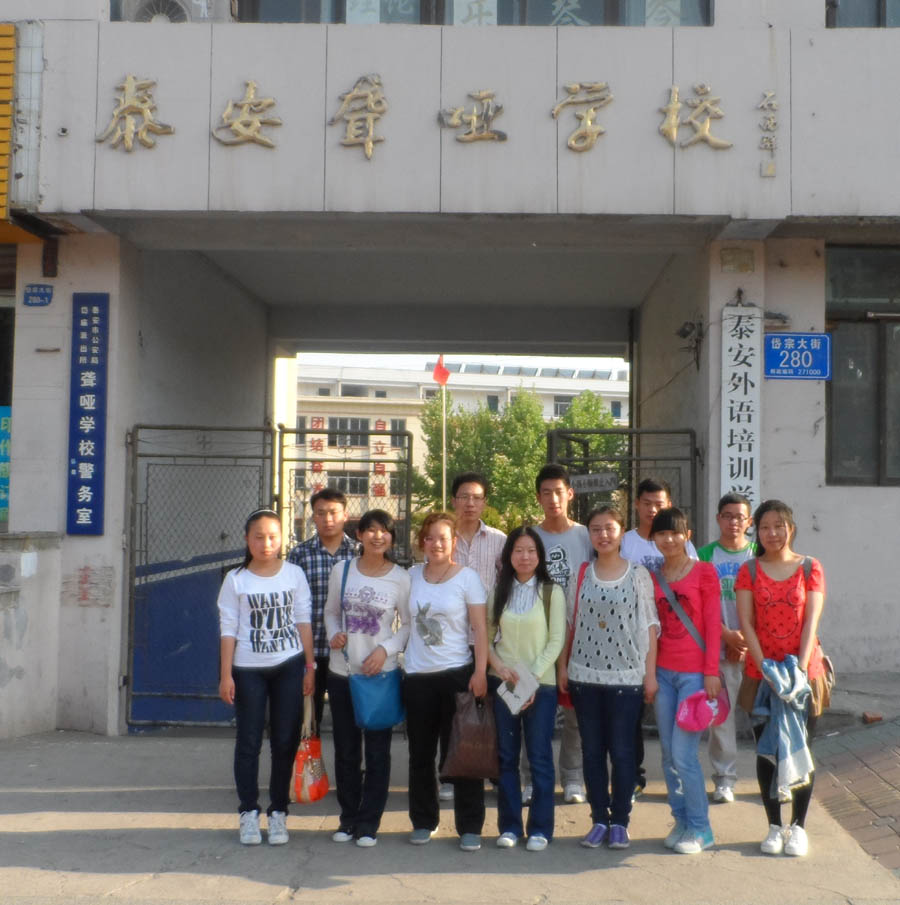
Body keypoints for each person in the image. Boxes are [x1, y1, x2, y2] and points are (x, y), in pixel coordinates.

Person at [558, 506, 659, 851]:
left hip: (627, 678)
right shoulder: (581, 574)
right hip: (584, 677)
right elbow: (569, 623)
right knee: (592, 752)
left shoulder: (638, 575)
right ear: (589, 534)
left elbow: (650, 626)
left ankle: (621, 821)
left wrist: (649, 675)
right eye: (596, 529)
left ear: (621, 532)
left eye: (609, 528)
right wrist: (562, 667)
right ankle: (599, 818)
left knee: (622, 752)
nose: (603, 535)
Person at [217, 508, 315, 846]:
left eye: (272, 536)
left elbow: (303, 620)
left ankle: (278, 812)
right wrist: (226, 675)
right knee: (248, 742)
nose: (266, 543)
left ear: (282, 538)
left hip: (289, 665)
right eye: (258, 537)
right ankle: (248, 812)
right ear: (247, 539)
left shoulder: (294, 574)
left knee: (284, 741)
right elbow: (228, 629)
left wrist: (310, 667)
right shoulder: (236, 579)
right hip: (248, 670)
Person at [736, 499, 825, 858]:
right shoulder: (749, 570)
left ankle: (798, 827)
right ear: (756, 532)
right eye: (764, 527)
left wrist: (799, 671)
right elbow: (746, 623)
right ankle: (774, 826)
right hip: (761, 677)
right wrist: (767, 670)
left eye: (779, 525)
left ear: (791, 528)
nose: (772, 533)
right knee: (767, 753)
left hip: (805, 676)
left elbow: (811, 621)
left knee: (801, 750)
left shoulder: (810, 567)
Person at [324, 509, 411, 848]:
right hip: (342, 673)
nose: (378, 536)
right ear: (359, 535)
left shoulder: (401, 578)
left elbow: (408, 625)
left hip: (379, 675)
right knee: (346, 751)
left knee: (377, 752)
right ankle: (348, 818)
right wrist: (334, 634)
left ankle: (369, 823)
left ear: (392, 537)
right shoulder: (342, 571)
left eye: (384, 531)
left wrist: (385, 650)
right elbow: (331, 612)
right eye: (370, 530)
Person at [404, 512, 489, 852]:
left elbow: (480, 630)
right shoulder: (411, 576)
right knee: (420, 754)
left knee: (463, 753)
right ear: (422, 542)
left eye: (443, 538)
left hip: (457, 675)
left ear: (453, 542)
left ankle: (470, 826)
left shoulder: (468, 578)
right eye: (430, 537)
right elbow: (402, 622)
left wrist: (480, 672)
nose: (436, 544)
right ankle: (424, 821)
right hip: (417, 677)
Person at [487, 526, 565, 852]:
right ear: (509, 556)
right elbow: (485, 638)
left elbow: (556, 641)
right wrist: (497, 665)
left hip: (540, 686)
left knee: (539, 757)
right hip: (503, 684)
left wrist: (531, 678)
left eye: (531, 551)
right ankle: (509, 826)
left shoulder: (551, 592)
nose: (525, 557)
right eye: (518, 550)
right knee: (506, 757)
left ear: (539, 556)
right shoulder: (498, 592)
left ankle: (540, 828)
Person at [649, 507, 721, 855]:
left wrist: (711, 671)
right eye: (662, 534)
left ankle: (701, 828)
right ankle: (680, 820)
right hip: (663, 674)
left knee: (684, 754)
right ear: (654, 539)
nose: (669, 539)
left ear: (687, 535)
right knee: (667, 754)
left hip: (694, 676)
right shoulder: (653, 576)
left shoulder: (704, 571)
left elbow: (713, 624)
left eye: (675, 533)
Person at [620, 477, 697, 797]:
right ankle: (633, 776)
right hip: (632, 641)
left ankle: (681, 783)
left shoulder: (681, 543)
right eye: (647, 503)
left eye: (659, 504)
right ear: (636, 505)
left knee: (678, 723)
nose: (653, 509)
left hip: (675, 644)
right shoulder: (625, 542)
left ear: (669, 505)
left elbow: (695, 594)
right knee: (631, 715)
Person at [444, 471, 506, 801]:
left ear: (484, 503)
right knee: (453, 709)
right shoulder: (443, 538)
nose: (470, 503)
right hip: (451, 640)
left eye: (477, 497)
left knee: (490, 708)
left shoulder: (498, 540)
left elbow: (508, 586)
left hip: (489, 639)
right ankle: (450, 773)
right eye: (464, 497)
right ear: (453, 500)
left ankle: (492, 771)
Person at [529, 463, 588, 805]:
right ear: (538, 497)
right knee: (535, 710)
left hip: (579, 635)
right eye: (546, 493)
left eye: (559, 492)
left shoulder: (586, 536)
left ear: (570, 494)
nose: (553, 499)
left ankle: (573, 777)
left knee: (575, 714)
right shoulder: (529, 537)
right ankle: (531, 778)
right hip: (537, 636)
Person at [697, 492, 755, 805]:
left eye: (739, 517)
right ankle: (724, 779)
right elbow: (698, 606)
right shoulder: (704, 555)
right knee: (721, 717)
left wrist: (743, 640)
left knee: (765, 715)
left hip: (756, 650)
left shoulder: (758, 554)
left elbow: (765, 603)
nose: (733, 522)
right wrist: (726, 636)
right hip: (717, 649)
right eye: (727, 516)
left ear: (749, 521)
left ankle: (777, 778)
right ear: (718, 519)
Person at [288, 488, 357, 730]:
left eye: (333, 512)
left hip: (348, 650)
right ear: (313, 516)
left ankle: (348, 758)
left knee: (348, 723)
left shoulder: (359, 553)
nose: (328, 519)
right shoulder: (299, 555)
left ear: (345, 515)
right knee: (306, 721)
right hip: (310, 650)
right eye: (320, 513)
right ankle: (307, 757)